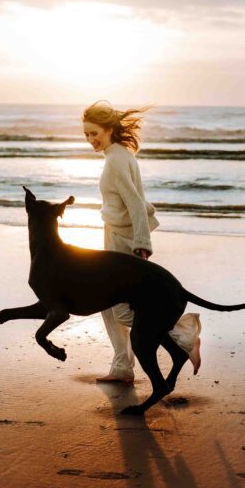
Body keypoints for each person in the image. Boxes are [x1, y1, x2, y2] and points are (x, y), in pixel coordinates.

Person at [82, 100, 202, 384]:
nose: (90, 140)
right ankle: (122, 366)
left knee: (122, 310)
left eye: (94, 133)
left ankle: (185, 335)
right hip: (115, 233)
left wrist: (142, 242)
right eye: (86, 134)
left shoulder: (115, 160)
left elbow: (135, 203)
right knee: (108, 304)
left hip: (125, 239)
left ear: (109, 129)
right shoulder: (119, 153)